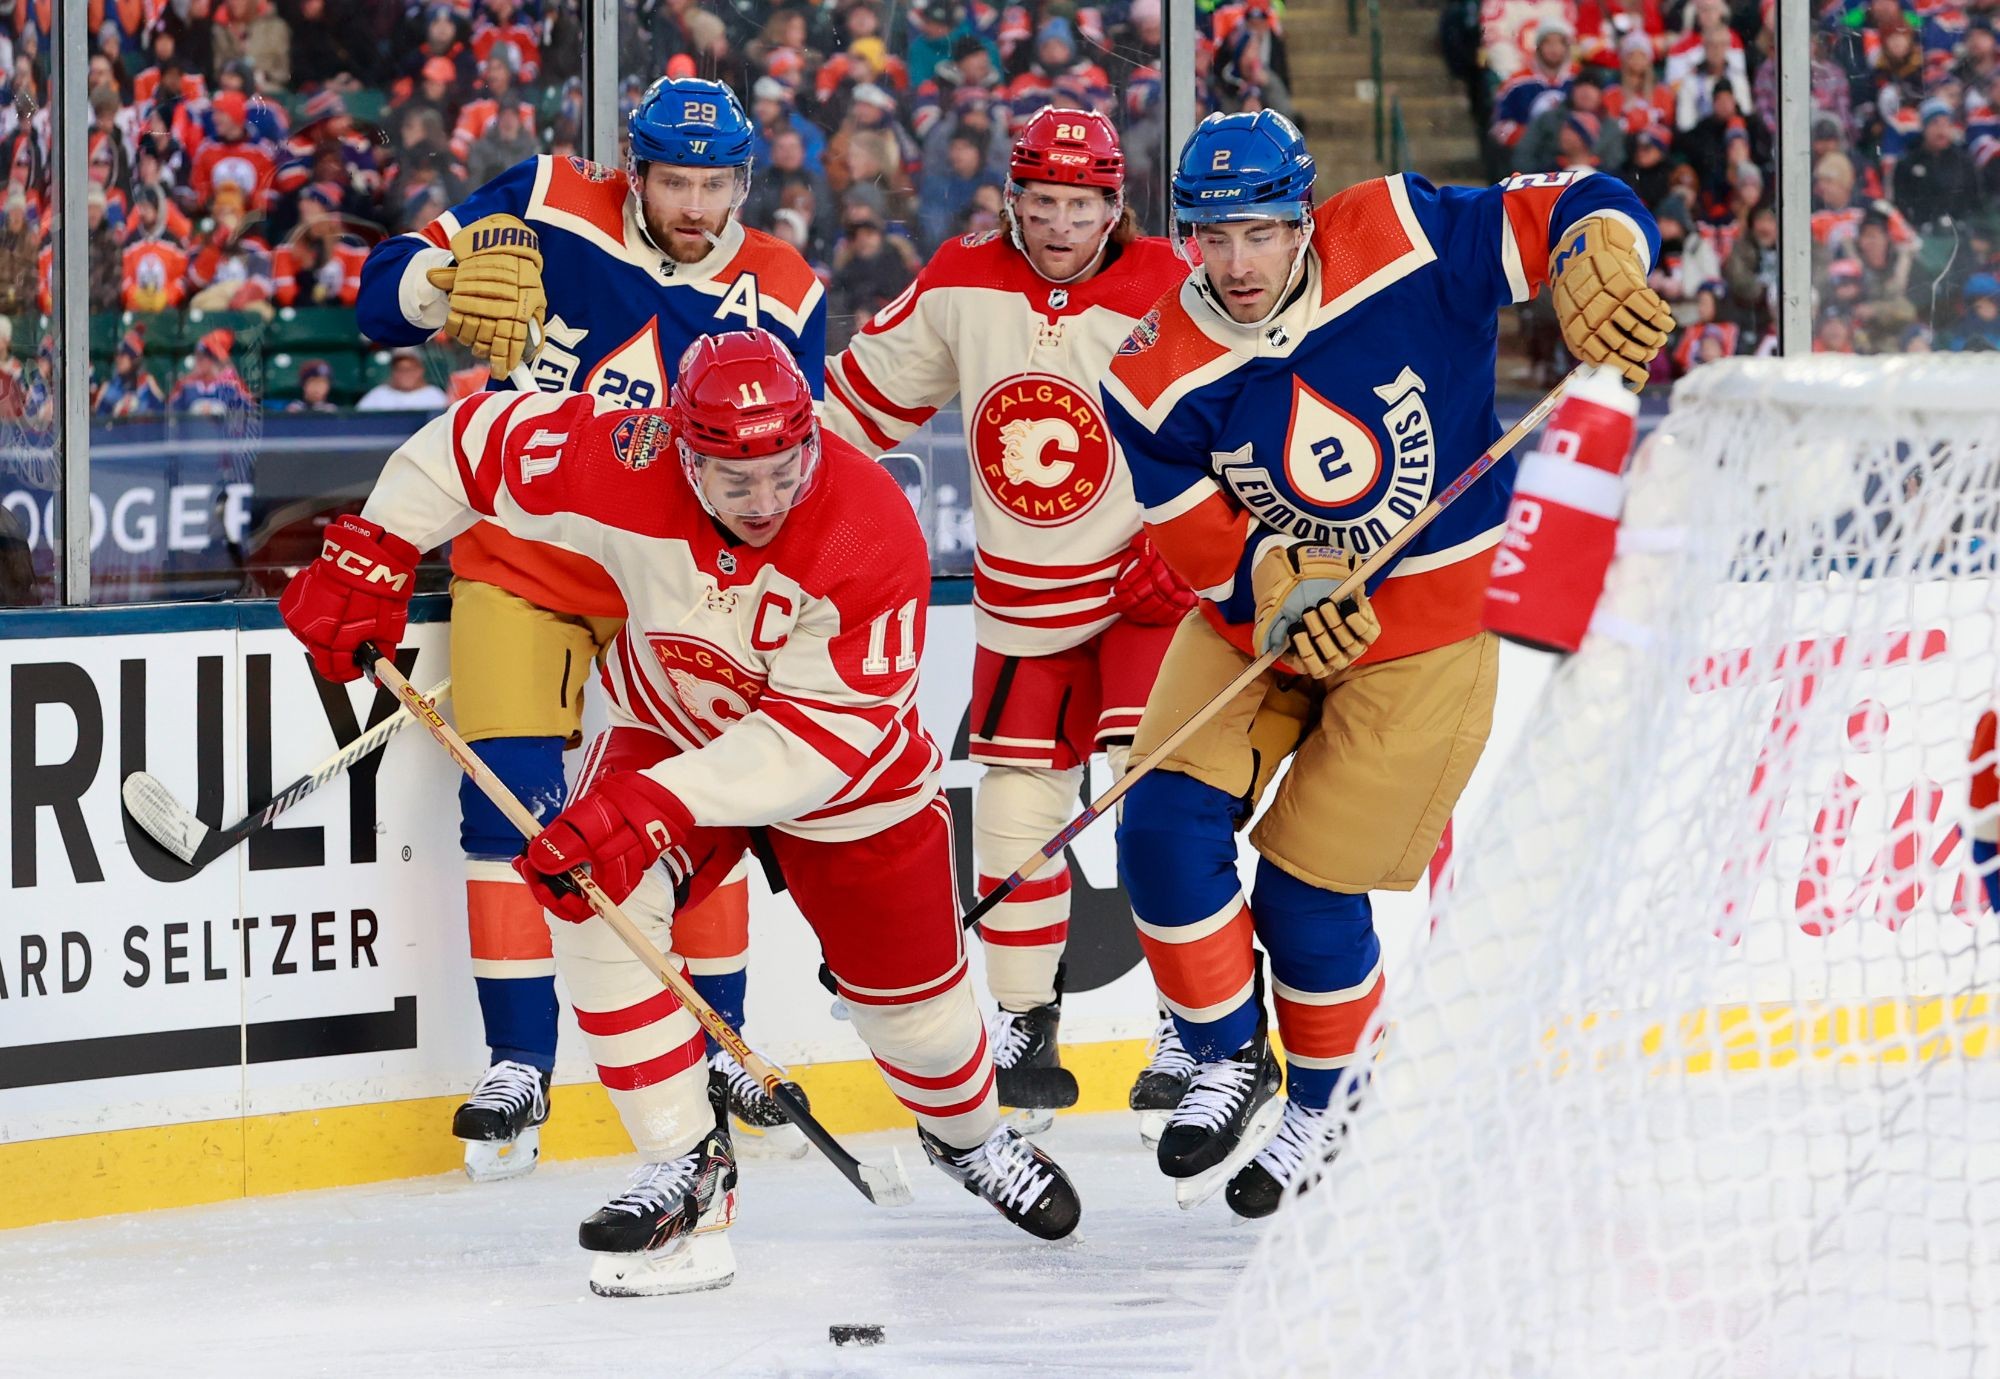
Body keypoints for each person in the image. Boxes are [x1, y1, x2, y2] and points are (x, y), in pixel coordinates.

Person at [276, 329, 1081, 1295]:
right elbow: (467, 442)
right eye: (736, 480)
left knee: (918, 1018)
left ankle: (969, 1137)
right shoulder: (626, 459)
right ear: (684, 455)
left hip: (846, 778)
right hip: (669, 721)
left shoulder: (868, 527)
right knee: (594, 895)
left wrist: (652, 803)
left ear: (811, 441)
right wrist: (372, 552)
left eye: (785, 471)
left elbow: (817, 740)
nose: (765, 500)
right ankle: (686, 1164)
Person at [1099, 111, 1669, 1217]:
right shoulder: (1149, 370)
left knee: (1306, 892)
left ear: (1303, 219)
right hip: (1259, 624)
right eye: (1213, 238)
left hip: (1427, 628)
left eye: (1261, 232)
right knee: (1159, 824)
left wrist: (1601, 252)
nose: (1237, 263)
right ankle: (1225, 1052)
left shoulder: (1402, 231)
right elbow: (1190, 529)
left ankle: (1325, 1103)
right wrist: (1275, 589)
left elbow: (1573, 201)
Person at [356, 77, 828, 1176]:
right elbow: (382, 297)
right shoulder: (547, 200)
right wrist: (437, 282)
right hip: (521, 562)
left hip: (670, 592)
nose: (695, 206)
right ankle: (518, 1064)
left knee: (693, 811)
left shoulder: (786, 288)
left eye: (715, 185)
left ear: (744, 183)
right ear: (634, 168)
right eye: (674, 181)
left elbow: (792, 475)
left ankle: (719, 1048)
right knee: (510, 801)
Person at [824, 107, 1199, 1136]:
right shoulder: (961, 277)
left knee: (1158, 805)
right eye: (1042, 201)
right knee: (1012, 810)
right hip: (1021, 597)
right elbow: (853, 410)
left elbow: (1244, 412)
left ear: (1114, 207)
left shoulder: (1172, 283)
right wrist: (763, 474)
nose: (1060, 224)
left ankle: (1197, 1021)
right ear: (1012, 198)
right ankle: (1025, 1022)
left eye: (1081, 204)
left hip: (1144, 590)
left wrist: (1191, 536)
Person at [357, 348, 450, 411]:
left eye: (410, 369)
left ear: (420, 370)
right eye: (399, 369)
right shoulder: (377, 395)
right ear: (392, 371)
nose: (405, 374)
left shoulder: (435, 395)